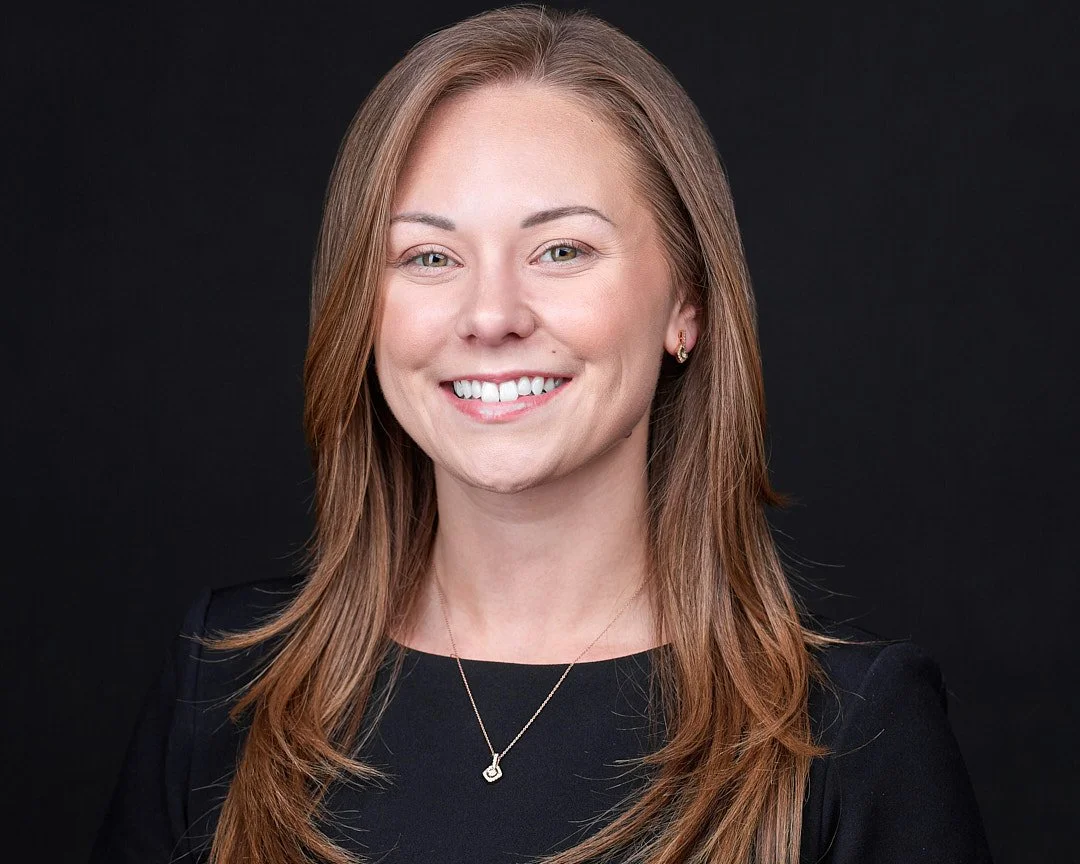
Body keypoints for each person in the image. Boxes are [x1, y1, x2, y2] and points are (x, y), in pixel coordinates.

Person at [89, 5, 994, 864]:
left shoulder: (853, 733)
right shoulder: (225, 686)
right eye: (429, 256)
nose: (491, 315)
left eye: (562, 250)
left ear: (686, 301)